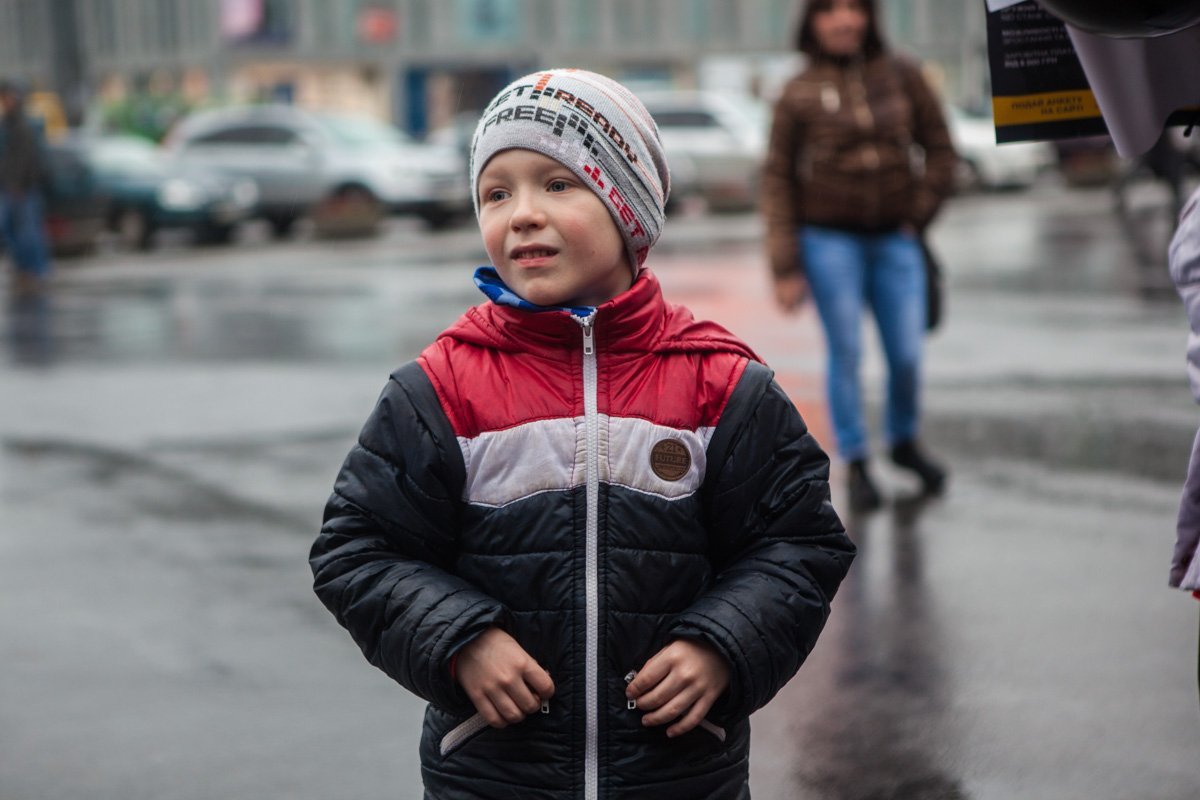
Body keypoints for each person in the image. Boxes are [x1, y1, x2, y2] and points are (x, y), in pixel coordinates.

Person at [309, 69, 856, 799]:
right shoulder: (438, 389)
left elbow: (797, 543)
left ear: (627, 208)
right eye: (496, 193)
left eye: (558, 185)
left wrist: (723, 645)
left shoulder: (721, 384)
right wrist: (459, 639)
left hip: (680, 772)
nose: (522, 214)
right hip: (493, 774)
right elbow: (358, 549)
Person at [761, 0, 958, 511]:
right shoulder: (796, 91)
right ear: (812, 22)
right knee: (845, 352)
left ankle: (904, 443)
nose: (844, 19)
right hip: (828, 242)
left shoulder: (903, 74)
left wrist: (917, 216)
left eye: (855, 8)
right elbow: (778, 178)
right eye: (830, 10)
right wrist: (785, 266)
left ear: (870, 16)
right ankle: (858, 462)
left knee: (907, 354)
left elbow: (941, 148)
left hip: (896, 237)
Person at [0, 79, 51, 295]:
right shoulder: (8, 124)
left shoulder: (24, 125)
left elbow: (30, 160)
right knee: (11, 230)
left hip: (22, 189)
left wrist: (19, 184)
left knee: (28, 233)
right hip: (9, 188)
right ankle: (24, 269)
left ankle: (35, 272)